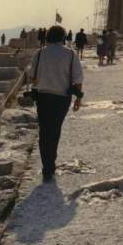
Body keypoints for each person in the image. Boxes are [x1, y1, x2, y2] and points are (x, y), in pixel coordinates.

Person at [27, 25, 84, 182]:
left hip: (43, 97)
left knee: (44, 131)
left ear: (48, 37)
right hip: (62, 98)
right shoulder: (71, 55)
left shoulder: (39, 54)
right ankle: (51, 162)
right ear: (63, 38)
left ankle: (47, 167)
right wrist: (78, 99)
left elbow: (32, 76)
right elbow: (77, 79)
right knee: (55, 129)